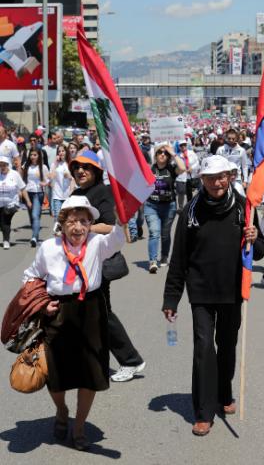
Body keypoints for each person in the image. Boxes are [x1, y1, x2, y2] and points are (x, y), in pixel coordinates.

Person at [162, 155, 264, 437]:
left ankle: (224, 392)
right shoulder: (191, 213)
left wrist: (255, 238)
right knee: (204, 348)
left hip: (232, 290)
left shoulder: (245, 208)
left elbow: (260, 252)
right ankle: (204, 411)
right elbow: (179, 259)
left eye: (221, 177)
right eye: (210, 178)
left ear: (230, 177)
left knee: (227, 345)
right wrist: (171, 298)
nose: (216, 183)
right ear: (202, 181)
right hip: (202, 291)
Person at [23, 195, 125, 450]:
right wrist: (42, 304)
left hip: (91, 310)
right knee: (55, 373)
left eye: (83, 221)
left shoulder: (98, 243)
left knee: (89, 373)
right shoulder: (49, 248)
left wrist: (123, 219)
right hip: (57, 311)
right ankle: (61, 409)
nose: (78, 227)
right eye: (72, 221)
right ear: (62, 223)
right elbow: (30, 277)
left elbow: (117, 240)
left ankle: (78, 427)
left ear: (90, 223)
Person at [69, 151, 146, 382]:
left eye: (87, 167)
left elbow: (110, 226)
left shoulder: (103, 191)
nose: (80, 171)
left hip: (99, 261)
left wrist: (83, 228)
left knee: (101, 314)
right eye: (77, 167)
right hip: (79, 263)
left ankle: (131, 360)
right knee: (88, 314)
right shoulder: (76, 193)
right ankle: (94, 360)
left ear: (96, 171)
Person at [144, 142, 185, 273]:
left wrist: (173, 153)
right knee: (154, 232)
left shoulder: (171, 169)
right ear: (155, 155)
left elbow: (183, 168)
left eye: (165, 153)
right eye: (160, 152)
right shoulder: (149, 169)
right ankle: (152, 261)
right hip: (151, 206)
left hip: (169, 206)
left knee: (165, 234)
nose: (162, 155)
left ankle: (164, 256)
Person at [0, 156, 32, 249]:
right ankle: (6, 235)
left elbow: (22, 188)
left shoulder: (14, 174)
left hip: (11, 203)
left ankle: (6, 240)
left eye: (4, 165)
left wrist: (28, 201)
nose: (2, 167)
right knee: (2, 222)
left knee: (5, 221)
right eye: (0, 165)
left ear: (8, 165)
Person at [22, 149, 49, 247]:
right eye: (31, 155)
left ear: (39, 156)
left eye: (35, 155)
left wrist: (44, 182)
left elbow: (48, 178)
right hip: (28, 193)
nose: (33, 157)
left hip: (38, 193)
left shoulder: (43, 167)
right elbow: (21, 176)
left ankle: (33, 237)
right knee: (32, 217)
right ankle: (36, 237)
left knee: (35, 215)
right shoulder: (26, 166)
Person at [49, 145, 73, 220]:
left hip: (68, 195)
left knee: (67, 218)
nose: (61, 153)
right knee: (58, 218)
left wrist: (69, 176)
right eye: (59, 151)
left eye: (63, 151)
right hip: (57, 195)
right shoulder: (54, 164)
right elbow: (51, 177)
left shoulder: (70, 163)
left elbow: (74, 179)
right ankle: (58, 231)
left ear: (66, 152)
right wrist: (55, 162)